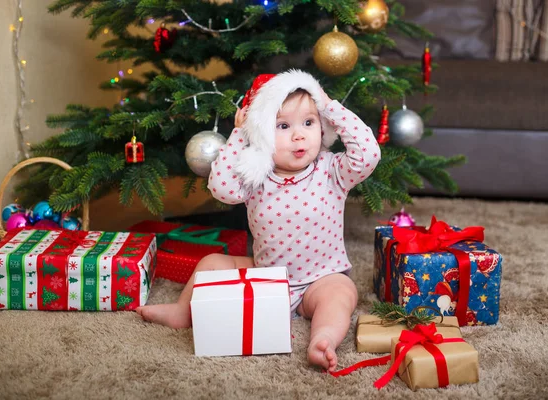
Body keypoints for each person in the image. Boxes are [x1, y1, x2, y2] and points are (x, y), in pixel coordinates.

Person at [137, 70, 380, 372]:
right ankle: (182, 312)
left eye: (309, 122)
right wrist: (239, 134)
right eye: (282, 126)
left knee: (342, 292)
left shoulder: (332, 171)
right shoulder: (256, 175)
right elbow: (222, 189)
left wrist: (330, 106)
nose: (298, 135)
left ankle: (323, 338)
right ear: (262, 134)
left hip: (318, 279)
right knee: (211, 262)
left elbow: (368, 154)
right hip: (265, 275)